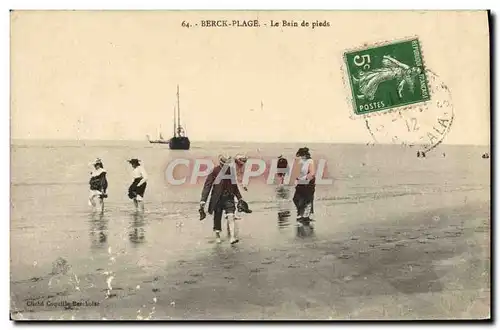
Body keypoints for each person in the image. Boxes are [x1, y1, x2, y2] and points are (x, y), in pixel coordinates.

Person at [199, 154, 247, 244]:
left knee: (231, 216)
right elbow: (207, 186)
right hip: (217, 198)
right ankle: (217, 235)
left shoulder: (230, 170)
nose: (225, 165)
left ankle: (232, 237)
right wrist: (203, 200)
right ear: (220, 162)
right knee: (217, 217)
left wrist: (240, 198)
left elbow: (234, 186)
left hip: (229, 197)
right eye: (224, 163)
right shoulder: (214, 171)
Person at [293, 147, 316, 226]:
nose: (301, 157)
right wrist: (296, 180)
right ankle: (301, 214)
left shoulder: (310, 161)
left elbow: (312, 173)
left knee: (307, 200)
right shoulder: (300, 161)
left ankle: (305, 217)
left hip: (308, 182)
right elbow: (297, 172)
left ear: (306, 155)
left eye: (302, 155)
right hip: (301, 181)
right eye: (300, 155)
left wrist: (304, 180)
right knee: (296, 199)